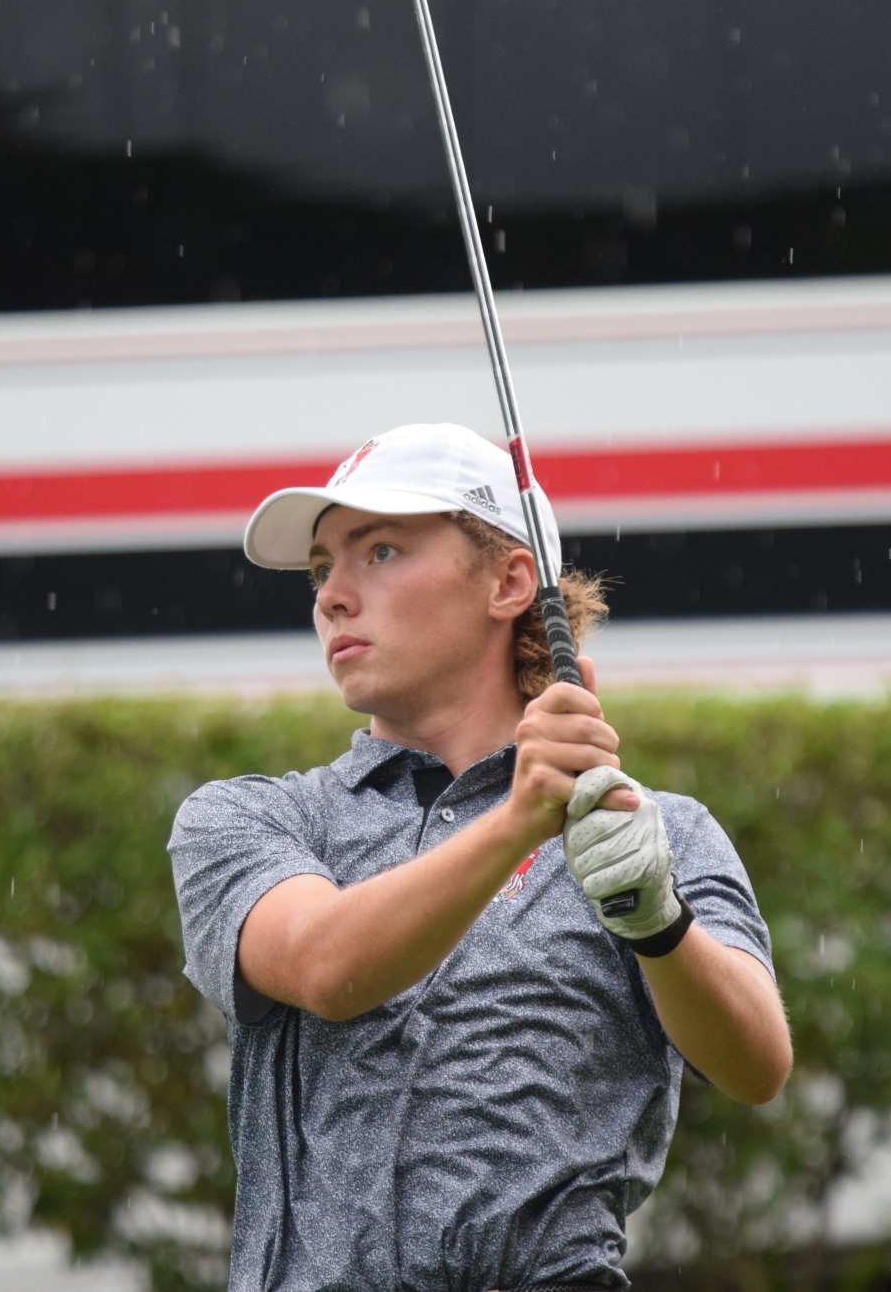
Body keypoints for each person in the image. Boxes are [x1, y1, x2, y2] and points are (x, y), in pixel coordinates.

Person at [168, 423, 791, 1290]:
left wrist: (658, 920)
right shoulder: (251, 817)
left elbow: (757, 1062)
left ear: (508, 580)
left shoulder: (655, 832)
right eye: (320, 568)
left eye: (378, 550)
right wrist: (516, 824)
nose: (333, 596)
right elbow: (324, 964)